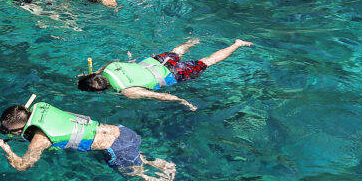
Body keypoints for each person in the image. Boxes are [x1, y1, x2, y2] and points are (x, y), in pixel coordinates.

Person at [0, 99, 199, 181]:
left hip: (116, 148)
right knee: (135, 157)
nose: (4, 131)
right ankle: (161, 163)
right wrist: (5, 129)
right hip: (123, 132)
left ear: (21, 126)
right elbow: (23, 126)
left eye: (8, 129)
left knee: (138, 178)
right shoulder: (40, 107)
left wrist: (3, 145)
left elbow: (22, 166)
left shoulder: (40, 139)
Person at [77, 38, 253, 110]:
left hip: (172, 73)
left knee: (208, 61)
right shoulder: (110, 66)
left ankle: (237, 44)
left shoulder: (128, 92)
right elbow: (105, 69)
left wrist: (182, 101)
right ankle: (194, 41)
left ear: (100, 91)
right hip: (158, 61)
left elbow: (157, 96)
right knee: (176, 51)